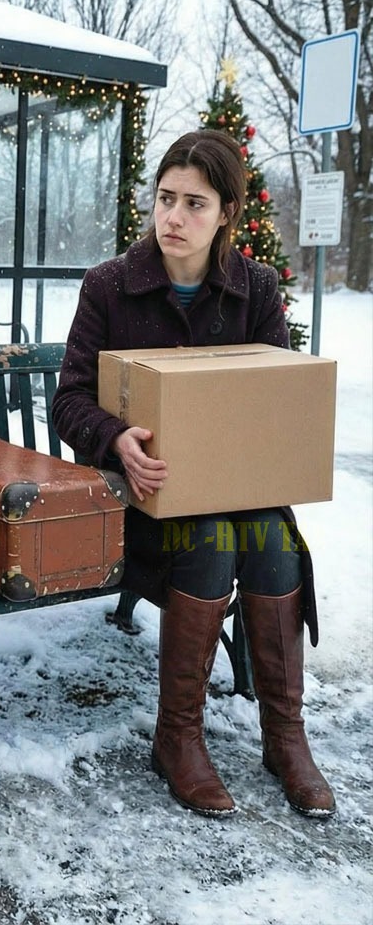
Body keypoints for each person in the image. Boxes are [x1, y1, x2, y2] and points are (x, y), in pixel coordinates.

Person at [52, 129, 335, 820]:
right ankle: (177, 737)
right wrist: (115, 437)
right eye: (165, 198)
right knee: (209, 538)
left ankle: (285, 737)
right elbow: (69, 400)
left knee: (273, 538)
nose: (173, 216)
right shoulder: (111, 286)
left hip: (238, 493)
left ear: (227, 213)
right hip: (143, 502)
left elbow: (274, 397)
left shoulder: (255, 289)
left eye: (194, 203)